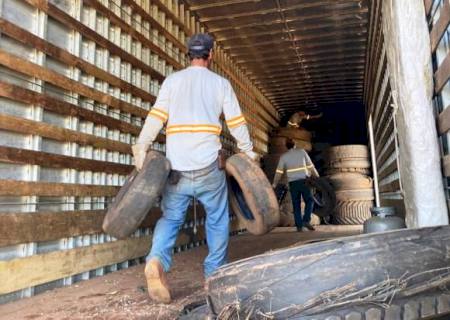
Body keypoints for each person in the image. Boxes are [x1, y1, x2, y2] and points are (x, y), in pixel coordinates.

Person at [132, 33, 257, 304]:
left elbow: (156, 116)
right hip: (208, 168)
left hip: (176, 168)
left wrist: (142, 145)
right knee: (217, 218)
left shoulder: (172, 81)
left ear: (187, 54)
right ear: (211, 54)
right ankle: (214, 275)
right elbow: (236, 122)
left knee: (171, 218)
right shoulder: (221, 84)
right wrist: (247, 152)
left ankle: (156, 261)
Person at [272, 138, 319, 232]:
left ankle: (299, 226)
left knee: (296, 204)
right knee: (309, 201)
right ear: (295, 145)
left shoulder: (284, 157)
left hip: (293, 184)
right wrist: (317, 176)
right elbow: (310, 165)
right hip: (304, 182)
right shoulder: (302, 152)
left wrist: (274, 183)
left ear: (286, 147)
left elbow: (279, 172)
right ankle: (306, 220)